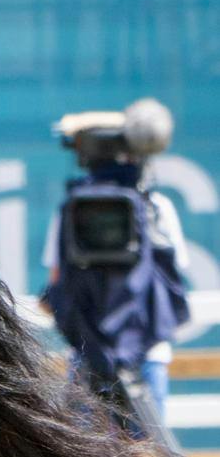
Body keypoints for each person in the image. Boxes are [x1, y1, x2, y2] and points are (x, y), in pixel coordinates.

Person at [41, 99, 191, 424]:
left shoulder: (72, 210)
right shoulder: (156, 207)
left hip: (88, 356)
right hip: (146, 356)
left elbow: (56, 283)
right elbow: (172, 281)